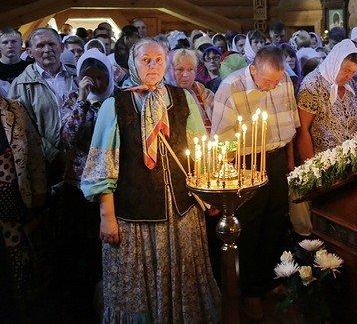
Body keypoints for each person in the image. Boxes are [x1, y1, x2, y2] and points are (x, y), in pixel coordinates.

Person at [81, 38, 221, 322]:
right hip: (134, 218)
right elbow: (103, 165)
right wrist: (107, 216)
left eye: (159, 60)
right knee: (138, 283)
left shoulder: (182, 99)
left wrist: (210, 193)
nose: (153, 66)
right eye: (146, 60)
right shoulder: (115, 106)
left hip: (181, 213)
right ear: (133, 63)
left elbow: (201, 151)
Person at [211, 45, 299, 320]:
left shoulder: (284, 80)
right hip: (247, 162)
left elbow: (291, 123)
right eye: (267, 81)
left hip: (277, 158)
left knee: (275, 220)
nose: (273, 87)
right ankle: (249, 292)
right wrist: (231, 167)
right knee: (249, 226)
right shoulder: (231, 87)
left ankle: (269, 281)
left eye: (277, 81)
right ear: (253, 69)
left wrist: (289, 160)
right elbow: (221, 139)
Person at [58, 48, 116, 318]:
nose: (97, 83)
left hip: (110, 185)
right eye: (90, 78)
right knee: (81, 246)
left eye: (101, 77)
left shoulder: (117, 99)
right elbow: (69, 136)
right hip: (78, 184)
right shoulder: (74, 98)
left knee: (107, 246)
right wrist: (82, 100)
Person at [8, 27, 79, 181]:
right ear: (30, 52)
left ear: (61, 47)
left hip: (80, 159)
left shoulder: (76, 78)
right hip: (42, 164)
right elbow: (22, 128)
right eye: (40, 46)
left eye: (51, 44)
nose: (47, 50)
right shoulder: (21, 85)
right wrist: (54, 154)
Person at [0, 96, 47, 318]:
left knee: (18, 264)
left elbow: (35, 152)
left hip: (15, 211)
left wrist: (39, 189)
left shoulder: (14, 108)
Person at [297, 40, 357, 156]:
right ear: (335, 63)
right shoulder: (312, 85)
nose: (349, 76)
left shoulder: (350, 84)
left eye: (353, 72)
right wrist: (311, 164)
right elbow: (303, 130)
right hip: (324, 161)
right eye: (346, 70)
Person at [167, 49, 214, 133]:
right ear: (169, 71)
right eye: (180, 69)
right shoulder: (162, 97)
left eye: (190, 69)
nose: (185, 75)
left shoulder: (205, 94)